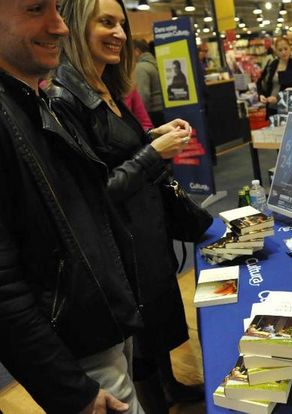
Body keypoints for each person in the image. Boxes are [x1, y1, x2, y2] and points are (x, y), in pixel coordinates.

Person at [48, 0, 203, 411]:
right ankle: (159, 403)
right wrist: (155, 152)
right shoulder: (65, 98)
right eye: (106, 22)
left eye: (121, 24)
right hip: (122, 244)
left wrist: (154, 134)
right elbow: (95, 192)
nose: (118, 33)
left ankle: (171, 390)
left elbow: (118, 150)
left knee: (158, 327)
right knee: (141, 340)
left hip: (145, 233)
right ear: (79, 26)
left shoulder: (105, 86)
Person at [0, 1, 145, 412]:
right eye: (34, 9)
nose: (60, 27)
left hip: (103, 324)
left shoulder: (33, 100)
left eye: (57, 9)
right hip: (78, 348)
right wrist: (69, 389)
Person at [257, 37, 292, 119]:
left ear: (290, 48)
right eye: (280, 50)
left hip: (288, 109)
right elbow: (260, 81)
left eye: (286, 49)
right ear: (276, 51)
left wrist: (279, 98)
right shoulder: (272, 64)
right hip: (272, 108)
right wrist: (261, 95)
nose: (283, 52)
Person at [132, 38, 165, 126]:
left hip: (152, 114)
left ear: (137, 51)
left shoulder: (141, 67)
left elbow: (143, 95)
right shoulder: (154, 63)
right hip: (161, 112)